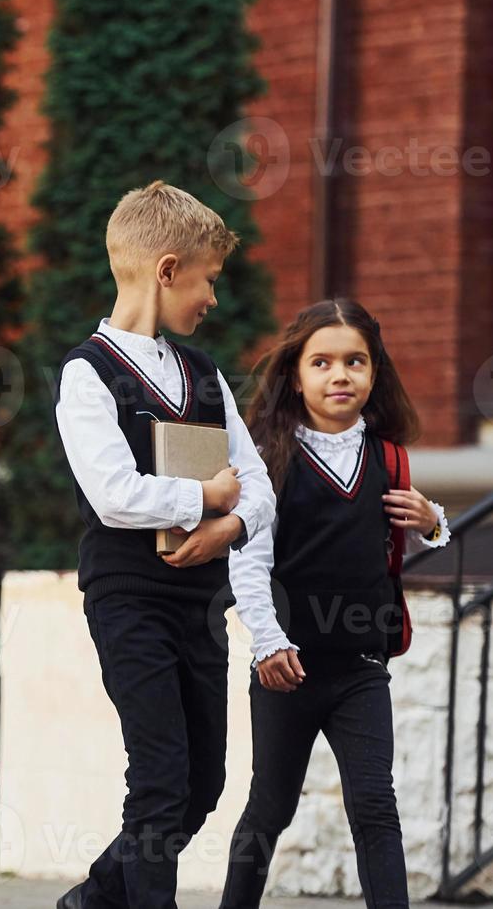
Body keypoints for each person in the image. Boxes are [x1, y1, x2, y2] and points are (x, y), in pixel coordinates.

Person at [53, 181, 276, 909]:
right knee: (158, 779)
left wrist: (227, 526)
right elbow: (113, 495)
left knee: (202, 782)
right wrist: (202, 497)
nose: (212, 297)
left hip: (196, 602)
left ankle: (92, 899)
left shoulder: (203, 375)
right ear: (167, 269)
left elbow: (259, 486)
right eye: (209, 279)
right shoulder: (86, 374)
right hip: (128, 598)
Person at [220, 298, 448, 909]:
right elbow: (248, 560)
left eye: (355, 361)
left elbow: (405, 538)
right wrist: (267, 643)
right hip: (288, 669)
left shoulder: (388, 458)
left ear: (375, 373)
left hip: (361, 670)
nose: (339, 374)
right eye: (321, 362)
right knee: (269, 809)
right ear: (296, 374)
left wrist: (433, 521)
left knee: (376, 807)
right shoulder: (269, 459)